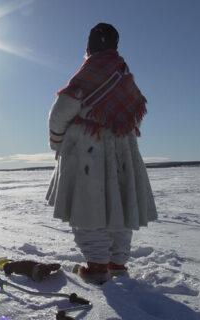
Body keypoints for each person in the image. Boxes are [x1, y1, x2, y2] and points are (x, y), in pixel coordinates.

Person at [46, 23, 158, 284]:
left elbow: (60, 113)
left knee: (88, 209)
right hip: (123, 151)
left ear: (90, 46)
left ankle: (96, 268)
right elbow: (135, 117)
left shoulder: (89, 73)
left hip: (88, 151)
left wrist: (58, 143)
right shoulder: (125, 76)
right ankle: (117, 264)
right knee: (120, 207)